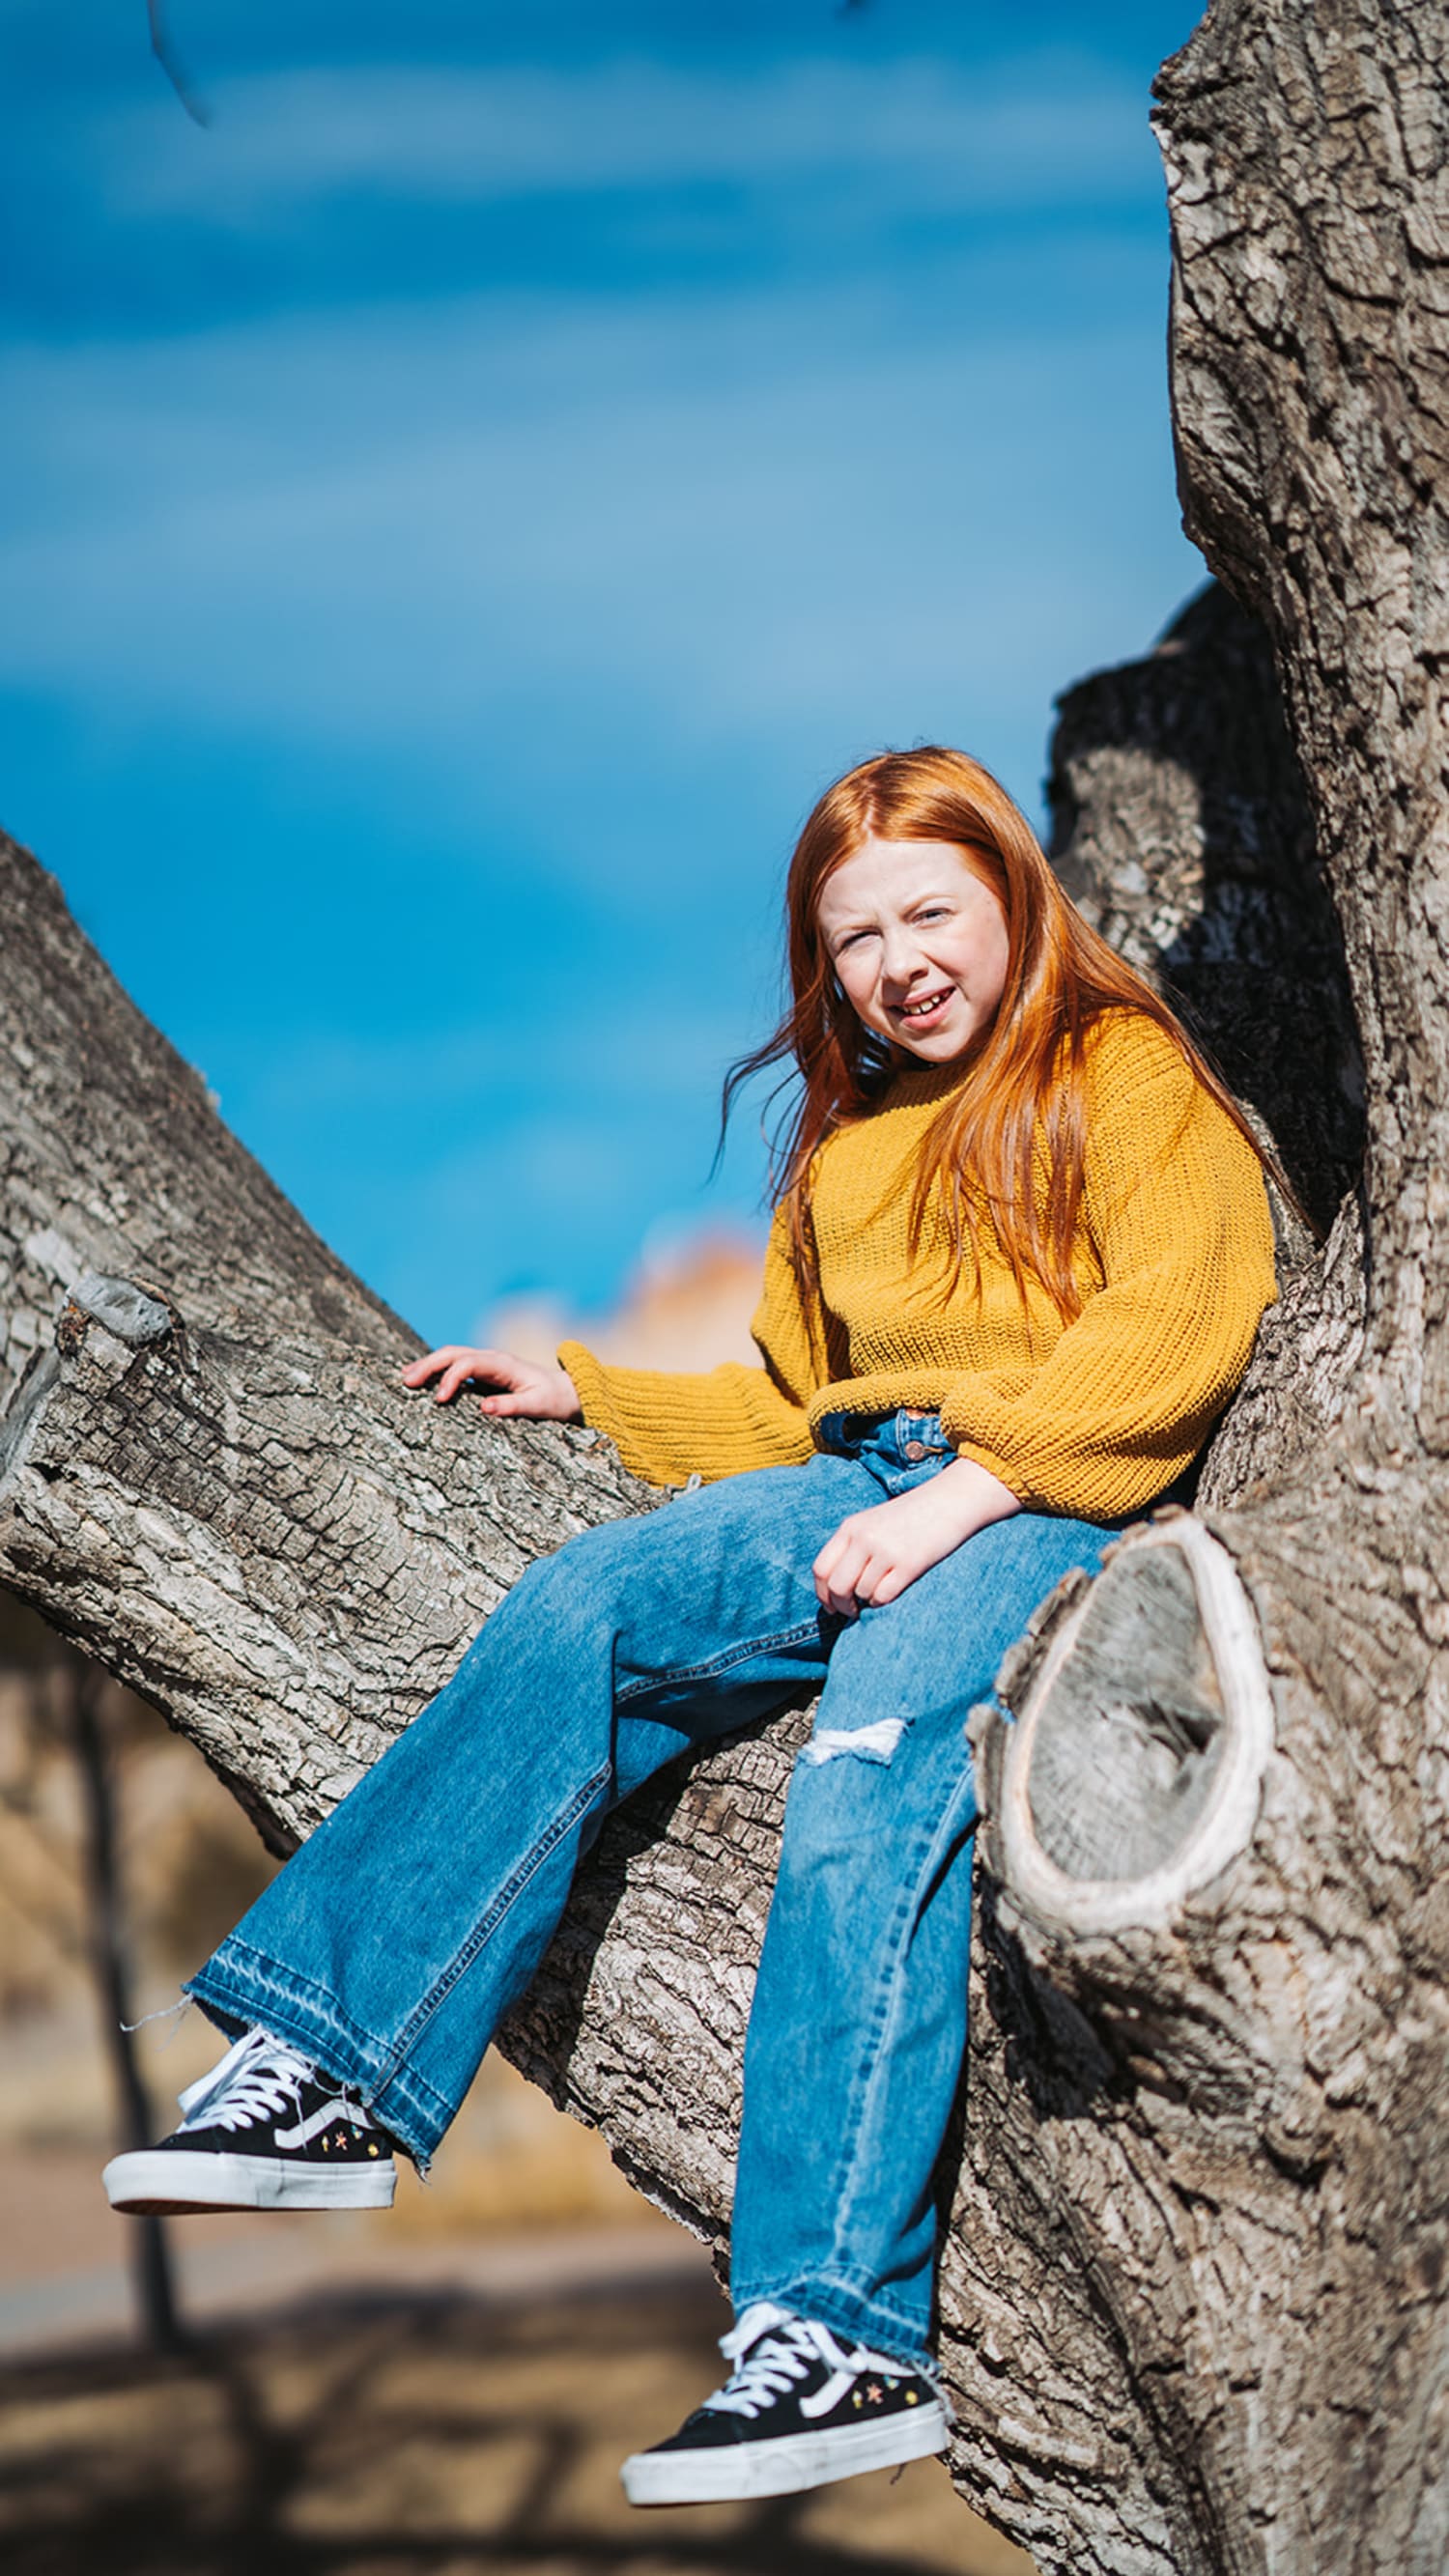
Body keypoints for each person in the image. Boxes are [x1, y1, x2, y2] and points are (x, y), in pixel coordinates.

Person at [101, 748, 1277, 2507]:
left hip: (1050, 1498)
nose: (901, 962)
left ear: (1016, 898)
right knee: (579, 1600)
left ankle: (830, 2336)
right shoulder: (848, 1146)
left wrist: (961, 1501)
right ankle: (327, 2067)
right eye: (855, 935)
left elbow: (1184, 1320)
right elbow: (796, 1402)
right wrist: (583, 1394)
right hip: (864, 1476)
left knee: (874, 1766)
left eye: (931, 913)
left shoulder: (1116, 1070)